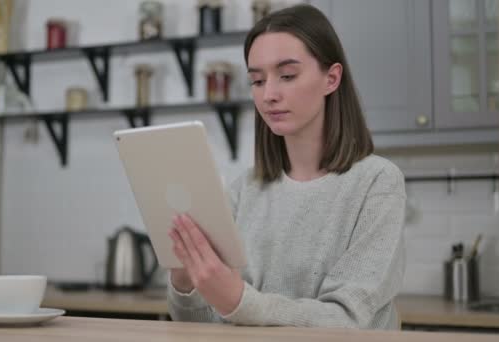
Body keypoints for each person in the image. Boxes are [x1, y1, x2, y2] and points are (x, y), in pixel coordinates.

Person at [166, 4, 406, 330]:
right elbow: (211, 324)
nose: (269, 94)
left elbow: (347, 320)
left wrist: (239, 299)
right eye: (257, 80)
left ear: (331, 78)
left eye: (287, 76)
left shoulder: (378, 183)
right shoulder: (243, 191)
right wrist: (186, 280)